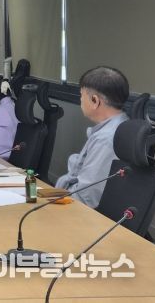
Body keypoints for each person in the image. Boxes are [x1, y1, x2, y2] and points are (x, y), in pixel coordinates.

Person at [56, 66, 130, 208]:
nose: (80, 100)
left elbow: (86, 197)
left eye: (81, 96)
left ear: (95, 101)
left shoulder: (106, 139)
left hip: (80, 212)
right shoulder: (120, 123)